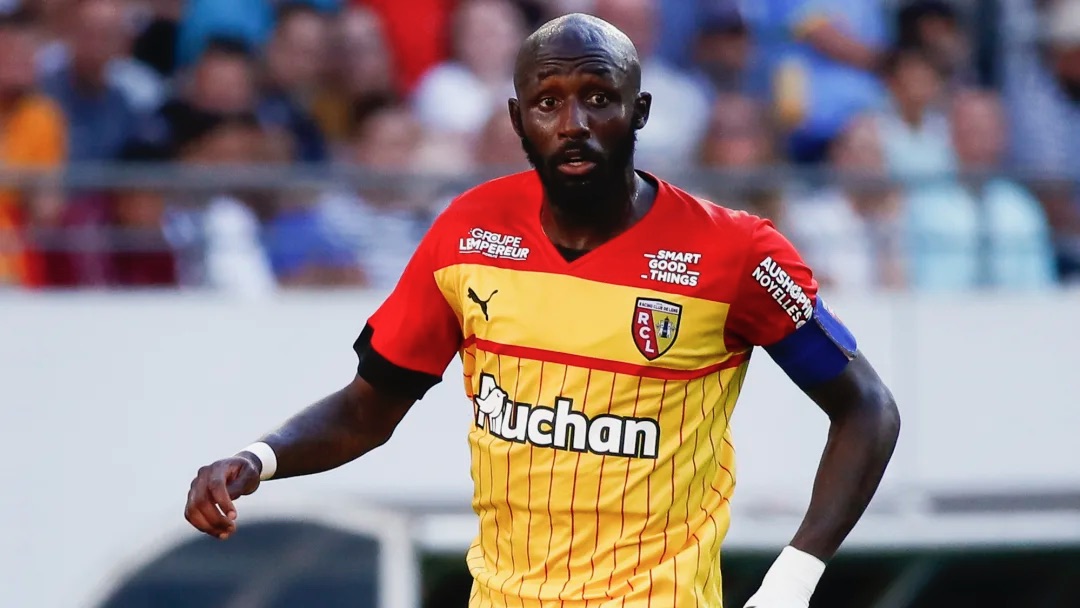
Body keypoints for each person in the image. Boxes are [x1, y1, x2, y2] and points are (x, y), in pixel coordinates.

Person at [184, 13, 900, 608]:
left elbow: (866, 407)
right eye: (548, 102)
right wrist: (258, 458)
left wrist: (792, 581)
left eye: (599, 97)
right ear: (517, 118)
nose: (573, 123)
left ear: (639, 110)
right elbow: (365, 411)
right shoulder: (467, 232)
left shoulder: (733, 250)